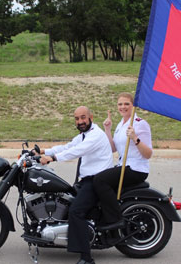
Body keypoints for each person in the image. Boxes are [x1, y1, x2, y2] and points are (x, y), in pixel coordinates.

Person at [39, 106, 113, 264]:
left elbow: (77, 151)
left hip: (95, 180)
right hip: (86, 179)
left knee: (76, 212)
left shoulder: (96, 135)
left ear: (90, 117)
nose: (80, 121)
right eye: (77, 118)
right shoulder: (84, 135)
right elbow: (68, 147)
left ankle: (86, 258)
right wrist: (43, 151)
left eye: (83, 118)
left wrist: (52, 158)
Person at [93, 92, 152, 231]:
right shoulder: (121, 124)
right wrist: (108, 129)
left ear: (133, 106)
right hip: (123, 165)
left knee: (100, 180)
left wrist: (135, 138)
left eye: (126, 104)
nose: (123, 107)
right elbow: (113, 148)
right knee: (97, 176)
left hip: (136, 168)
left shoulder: (140, 124)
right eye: (120, 104)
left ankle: (114, 219)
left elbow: (148, 154)